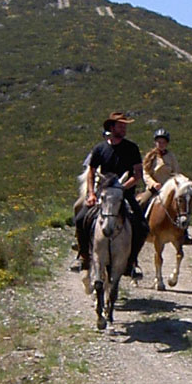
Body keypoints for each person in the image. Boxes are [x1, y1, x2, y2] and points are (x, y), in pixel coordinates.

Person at [72, 111, 149, 279]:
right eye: (120, 126)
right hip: (103, 193)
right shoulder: (100, 148)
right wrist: (91, 194)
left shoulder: (132, 148)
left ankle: (131, 262)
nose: (124, 129)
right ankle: (84, 257)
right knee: (80, 219)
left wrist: (122, 188)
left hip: (125, 193)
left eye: (125, 126)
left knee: (142, 226)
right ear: (112, 127)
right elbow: (91, 173)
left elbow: (137, 174)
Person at [140, 128, 192, 245]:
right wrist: (153, 183)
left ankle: (184, 233)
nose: (161, 144)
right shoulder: (150, 157)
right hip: (154, 188)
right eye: (159, 142)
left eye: (163, 142)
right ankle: (139, 229)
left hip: (169, 189)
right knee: (141, 202)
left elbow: (177, 172)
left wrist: (183, 182)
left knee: (182, 206)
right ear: (155, 142)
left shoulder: (171, 156)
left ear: (167, 143)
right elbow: (146, 173)